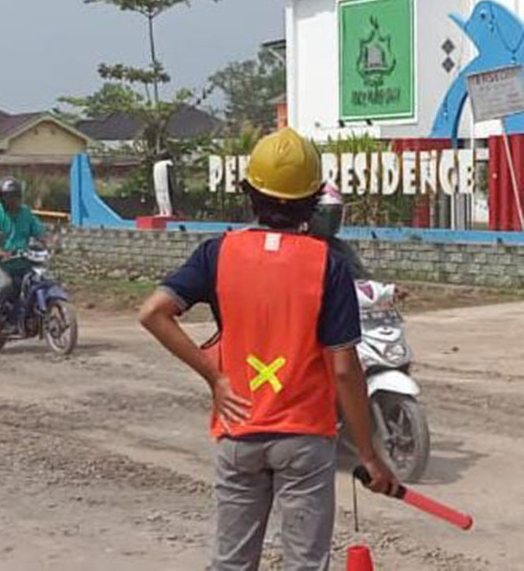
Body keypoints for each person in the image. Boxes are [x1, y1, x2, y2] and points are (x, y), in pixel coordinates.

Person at [138, 127, 396, 571]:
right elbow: (343, 369)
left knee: (232, 563)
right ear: (313, 200)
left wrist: (214, 377)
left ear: (249, 191)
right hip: (304, 437)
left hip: (239, 429)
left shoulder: (216, 253)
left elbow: (153, 313)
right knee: (305, 563)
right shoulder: (327, 265)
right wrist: (369, 455)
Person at [0, 177, 45, 333]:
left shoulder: (25, 213)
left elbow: (39, 232)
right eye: (8, 195)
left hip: (21, 260)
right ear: (1, 197)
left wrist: (49, 244)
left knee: (38, 281)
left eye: (15, 195)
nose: (13, 199)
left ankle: (26, 316)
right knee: (4, 284)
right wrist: (0, 252)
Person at [309, 183, 368, 279]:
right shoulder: (302, 246)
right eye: (325, 212)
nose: (330, 220)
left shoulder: (341, 249)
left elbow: (360, 280)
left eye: (334, 213)